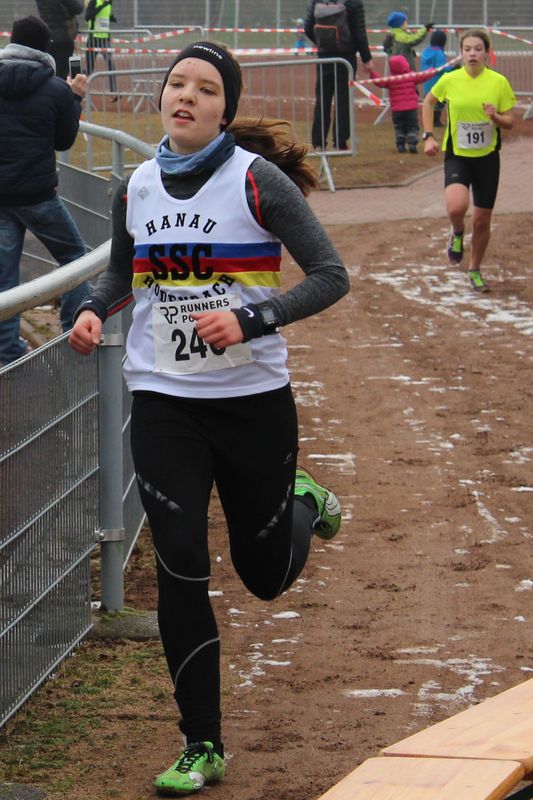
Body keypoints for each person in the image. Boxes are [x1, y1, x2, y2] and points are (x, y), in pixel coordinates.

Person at [69, 40, 349, 796]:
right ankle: (202, 743)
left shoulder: (255, 181)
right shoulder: (135, 184)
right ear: (161, 97)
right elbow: (122, 274)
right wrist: (94, 309)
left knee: (264, 578)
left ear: (225, 109)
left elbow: (331, 276)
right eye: (176, 84)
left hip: (252, 403)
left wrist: (252, 319)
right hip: (164, 401)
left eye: (204, 88)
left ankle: (301, 501)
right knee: (181, 564)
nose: (185, 95)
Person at [0, 15, 89, 366]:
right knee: (76, 262)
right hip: (39, 197)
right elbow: (64, 140)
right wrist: (75, 98)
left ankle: (8, 352)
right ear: (44, 49)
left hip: (2, 198)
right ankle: (72, 334)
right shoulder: (55, 89)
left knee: (5, 276)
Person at [422, 28, 515, 293]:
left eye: (478, 49)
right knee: (456, 207)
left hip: (487, 159)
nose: (472, 53)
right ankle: (457, 232)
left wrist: (495, 117)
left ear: (486, 53)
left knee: (482, 221)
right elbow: (428, 102)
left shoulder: (498, 82)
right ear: (461, 53)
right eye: (467, 49)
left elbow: (510, 121)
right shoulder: (450, 79)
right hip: (458, 156)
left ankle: (474, 269)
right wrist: (428, 136)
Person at [304, 0, 374, 150]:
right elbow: (359, 32)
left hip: (324, 56)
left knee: (322, 99)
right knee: (343, 100)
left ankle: (318, 142)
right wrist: (366, 58)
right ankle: (340, 141)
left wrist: (323, 42)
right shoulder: (354, 3)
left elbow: (308, 27)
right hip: (346, 56)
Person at [370, 55, 427, 153]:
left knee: (399, 128)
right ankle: (412, 143)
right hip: (411, 109)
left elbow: (379, 82)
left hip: (397, 110)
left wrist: (372, 73)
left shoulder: (391, 79)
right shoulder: (411, 76)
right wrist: (433, 70)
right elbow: (423, 76)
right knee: (412, 126)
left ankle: (400, 144)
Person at [35, 0, 83, 80]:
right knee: (61, 71)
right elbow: (78, 8)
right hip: (62, 36)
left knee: (47, 68)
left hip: (46, 35)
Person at [84, 0, 117, 99]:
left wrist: (111, 18)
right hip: (93, 39)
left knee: (111, 64)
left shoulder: (109, 3)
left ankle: (113, 92)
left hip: (105, 40)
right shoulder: (94, 2)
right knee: (89, 69)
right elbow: (88, 17)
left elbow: (103, 18)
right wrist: (102, 6)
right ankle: (81, 90)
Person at [420, 29, 449, 127]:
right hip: (437, 81)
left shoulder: (425, 51)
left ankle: (430, 120)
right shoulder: (439, 53)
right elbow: (441, 68)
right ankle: (435, 121)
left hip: (426, 81)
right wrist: (453, 68)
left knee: (429, 101)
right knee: (439, 102)